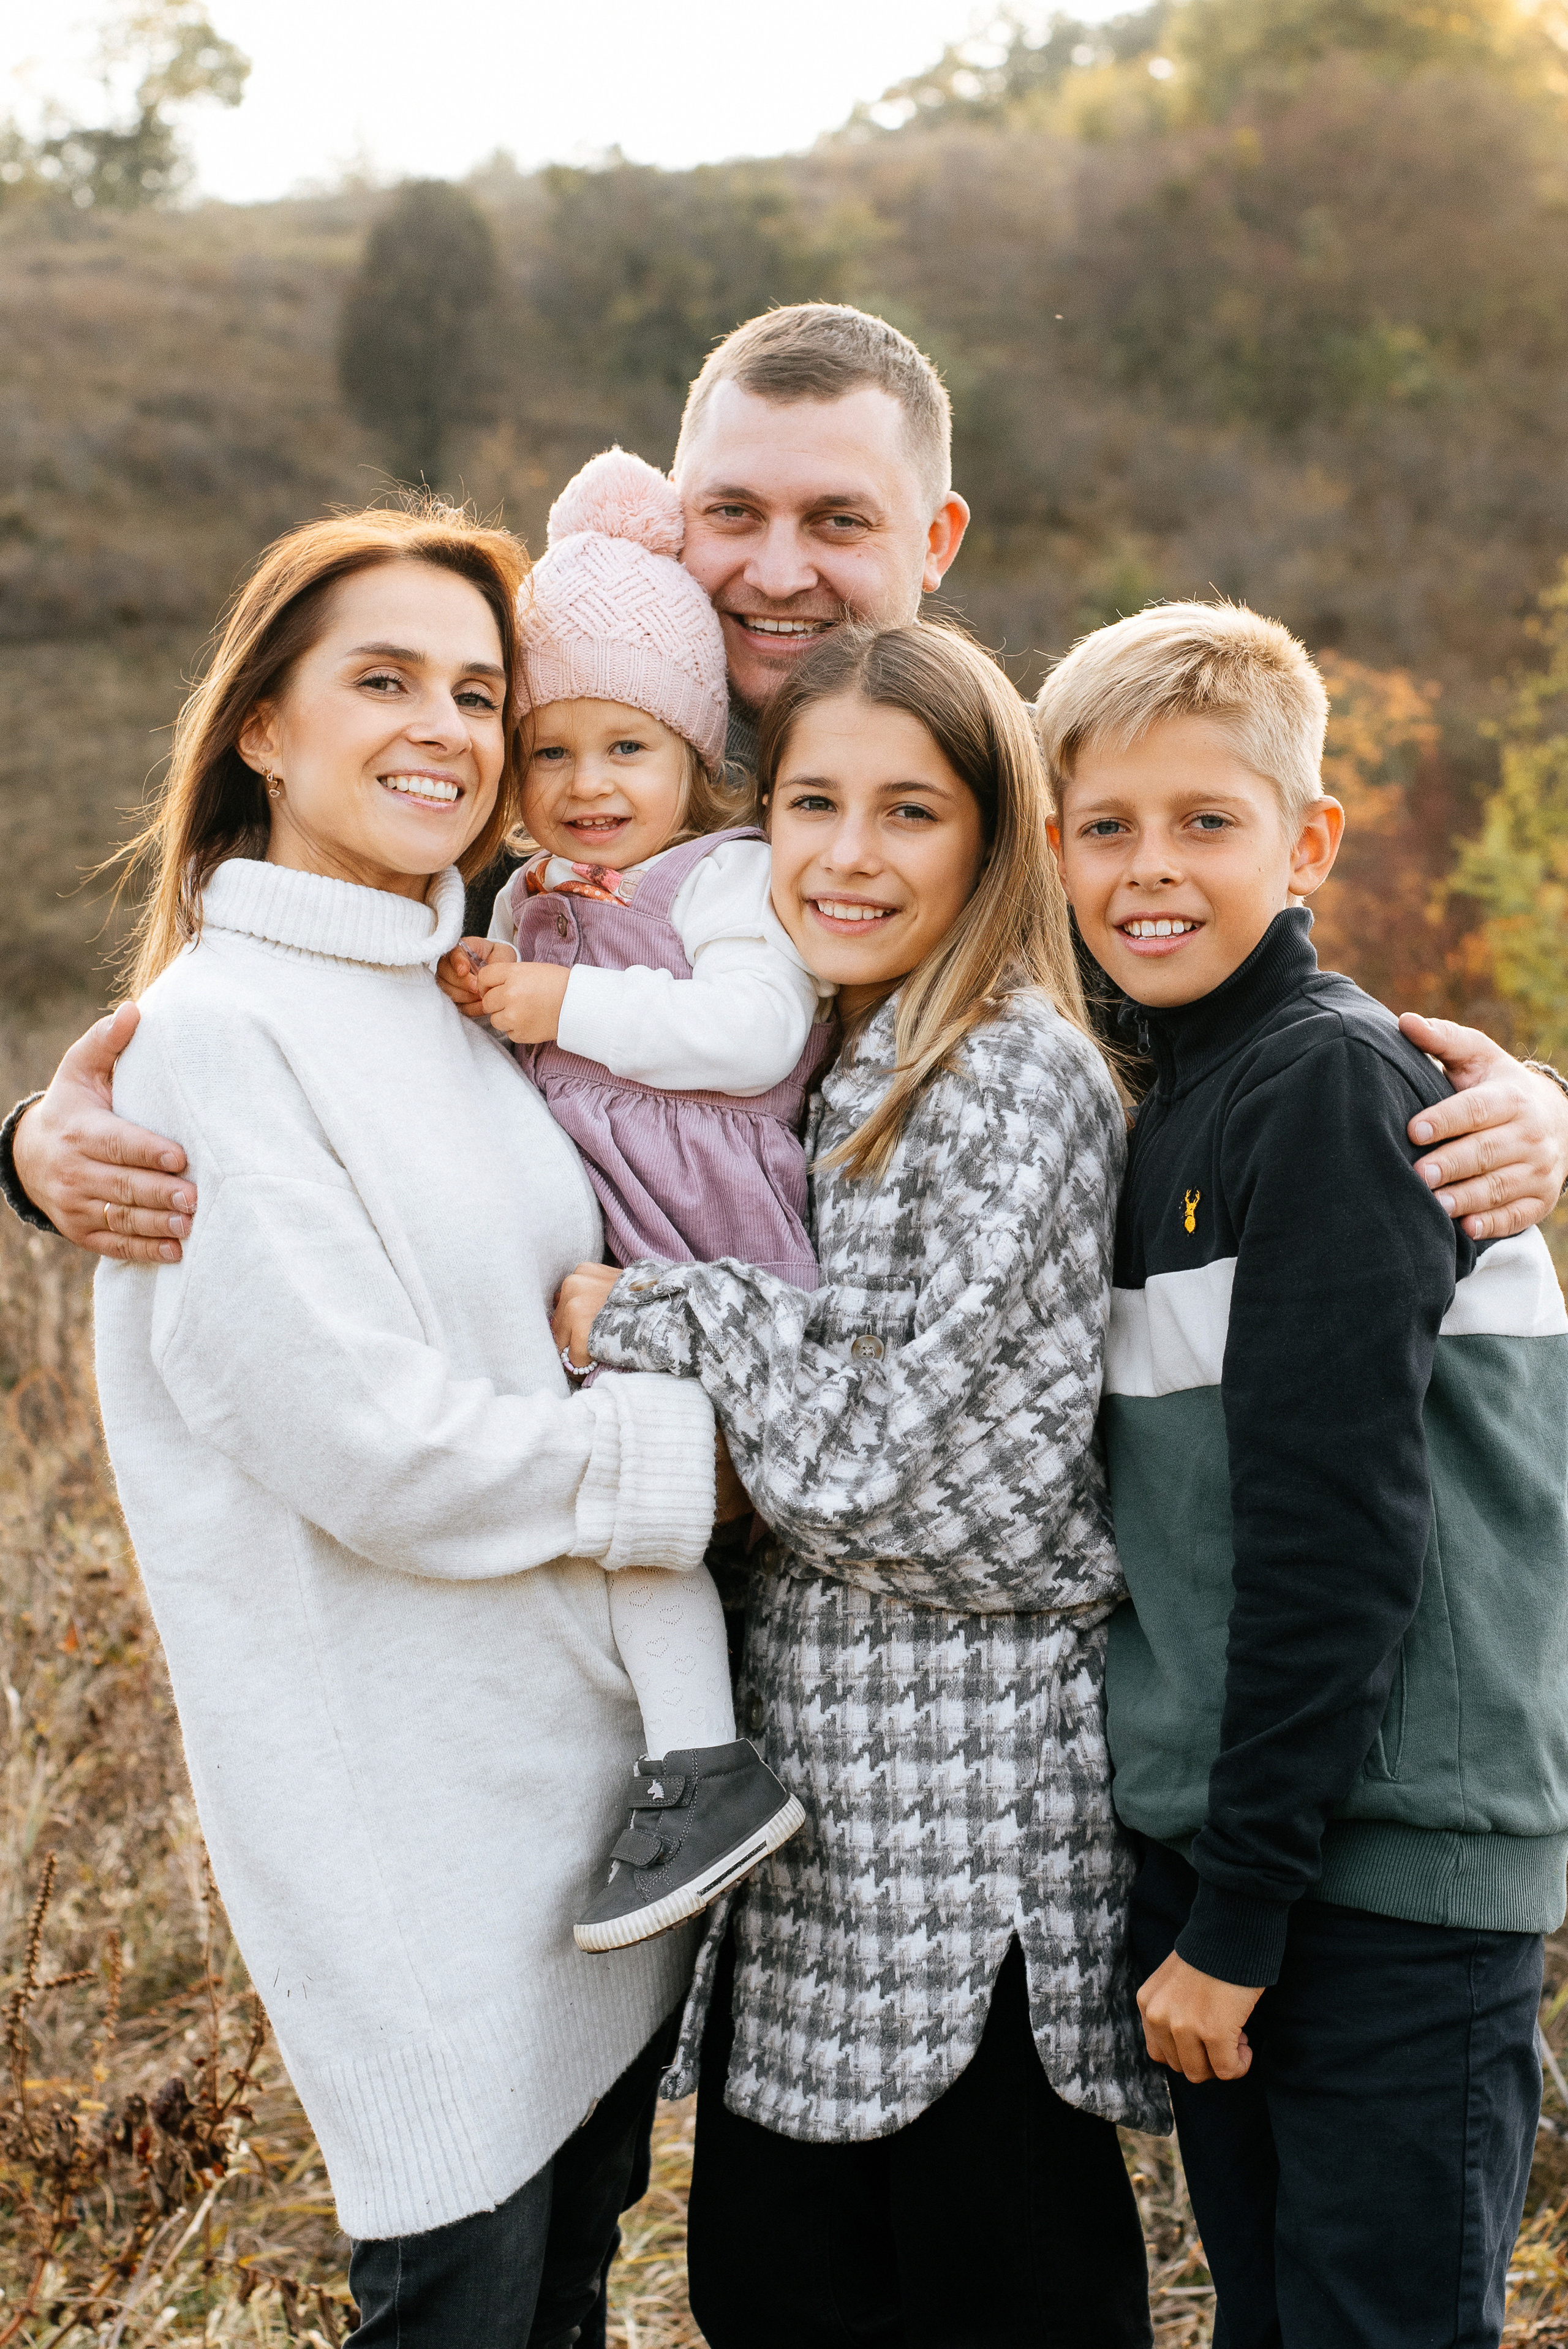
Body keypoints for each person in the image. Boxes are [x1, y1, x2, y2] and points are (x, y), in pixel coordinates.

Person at [10, 306, 1568, 1262]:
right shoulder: (547, 800)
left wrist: (1521, 1107)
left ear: (934, 541)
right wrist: (37, 1146)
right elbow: (314, 994)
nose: (773, 570)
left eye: (836, 520)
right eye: (730, 513)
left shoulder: (1027, 802)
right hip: (616, 1522)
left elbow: (1243, 991)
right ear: (668, 517)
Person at [89, 502, 731, 2348]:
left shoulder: (464, 1000)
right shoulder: (218, 1035)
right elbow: (372, 1443)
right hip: (407, 1850)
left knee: (566, 2305)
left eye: (473, 691)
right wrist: (687, 1471)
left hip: (575, 1820)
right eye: (382, 680)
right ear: (262, 728)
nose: (442, 728)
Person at [554, 620, 1167, 2349]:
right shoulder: (836, 1056)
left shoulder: (1010, 1068)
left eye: (910, 811)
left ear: (993, 837)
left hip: (964, 1840)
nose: (847, 853)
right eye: (811, 803)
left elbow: (894, 1475)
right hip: (820, 1826)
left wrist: (664, 1311)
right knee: (773, 2290)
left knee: (994, 2295)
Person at [1038, 600, 1568, 2349]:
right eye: (1105, 826)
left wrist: (1239, 1915)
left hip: (1380, 1877)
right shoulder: (1157, 1094)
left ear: (1309, 841)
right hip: (1259, 1855)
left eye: (1206, 820)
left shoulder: (1328, 1085)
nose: (1148, 868)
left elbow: (1333, 1536)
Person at [437, 447, 829, 1950]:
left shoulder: (722, 878)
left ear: (693, 758)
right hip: (605, 1247)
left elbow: (755, 1035)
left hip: (709, 1235)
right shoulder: (529, 895)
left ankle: (702, 1763)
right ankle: (677, 1751)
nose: (588, 786)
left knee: (648, 1493)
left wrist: (557, 1006)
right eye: (551, 753)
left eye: (626, 748)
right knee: (623, 1501)